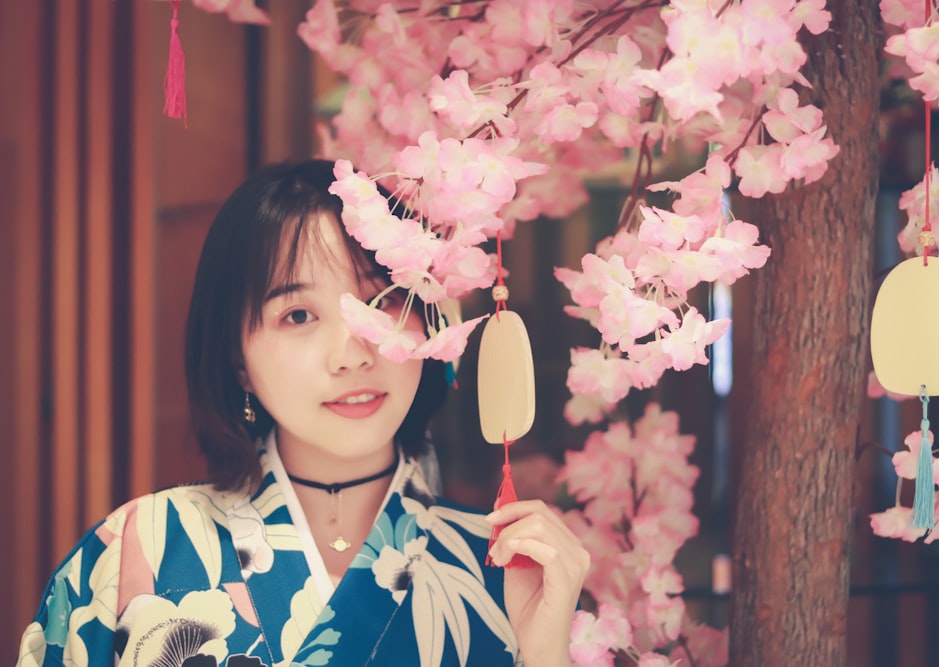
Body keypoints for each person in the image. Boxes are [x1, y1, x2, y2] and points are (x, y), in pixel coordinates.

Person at [15, 160, 589, 666]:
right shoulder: (137, 548)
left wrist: (546, 657)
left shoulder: (506, 573)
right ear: (237, 358)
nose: (352, 354)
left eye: (384, 300)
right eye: (297, 315)